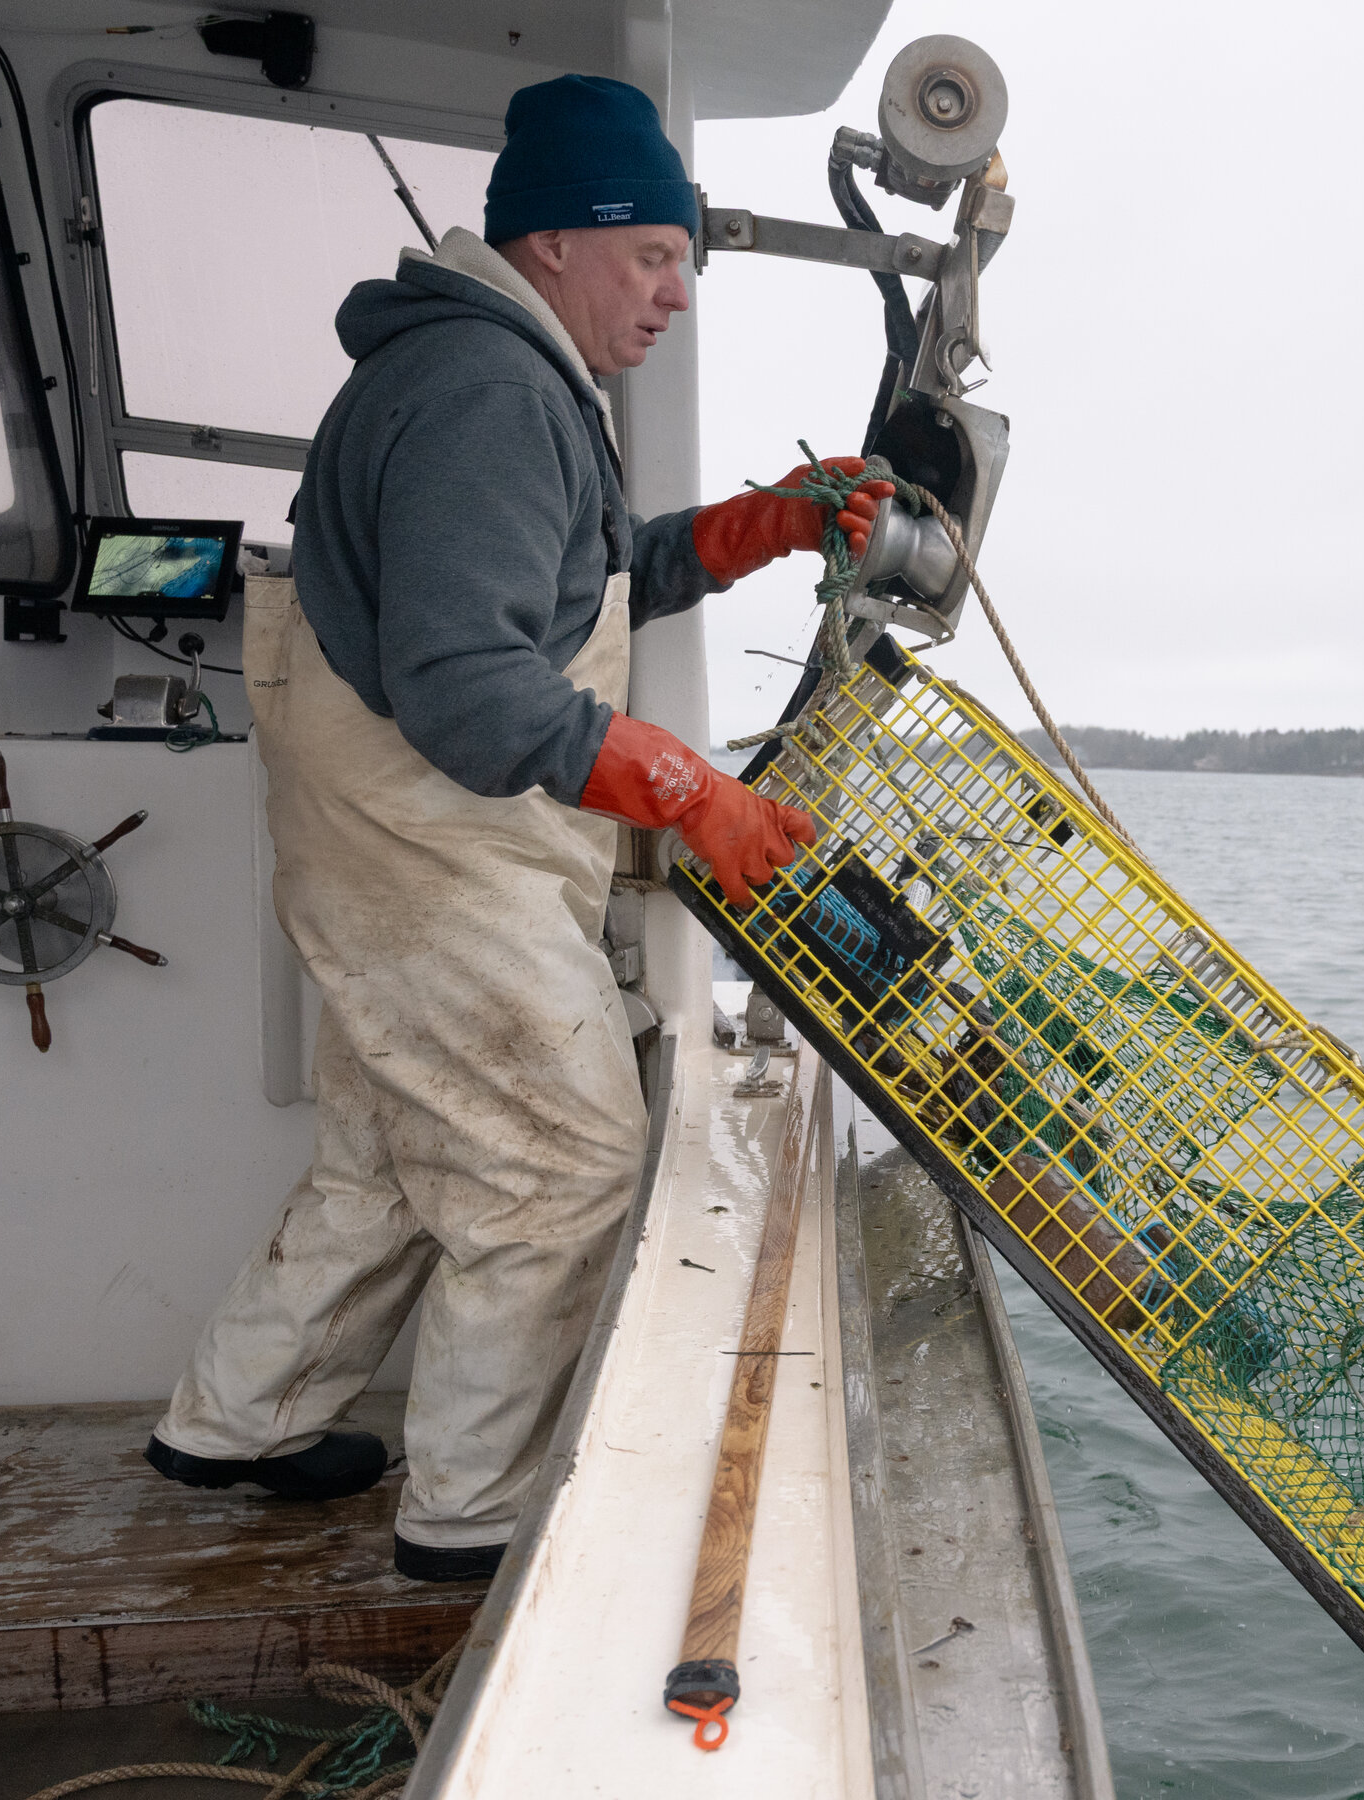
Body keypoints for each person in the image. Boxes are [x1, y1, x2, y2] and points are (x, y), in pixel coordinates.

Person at [145, 73, 891, 1582]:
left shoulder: (499, 374)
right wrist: (697, 792)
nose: (677, 294)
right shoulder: (491, 394)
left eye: (686, 263)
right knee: (554, 1162)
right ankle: (475, 1520)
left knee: (388, 1151)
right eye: (654, 258)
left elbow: (573, 588)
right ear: (557, 242)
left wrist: (758, 526)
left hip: (392, 853)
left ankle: (236, 1423)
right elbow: (473, 689)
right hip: (437, 851)